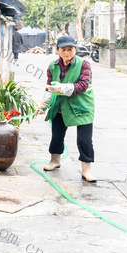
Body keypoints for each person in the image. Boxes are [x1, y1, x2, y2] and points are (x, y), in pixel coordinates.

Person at [38, 35, 96, 182]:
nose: (67, 53)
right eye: (63, 49)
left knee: (84, 140)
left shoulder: (84, 64)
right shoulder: (53, 66)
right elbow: (49, 87)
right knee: (57, 135)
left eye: (70, 49)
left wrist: (62, 88)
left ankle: (86, 170)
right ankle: (55, 160)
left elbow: (82, 85)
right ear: (58, 50)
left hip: (82, 105)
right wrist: (43, 104)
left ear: (75, 49)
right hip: (61, 106)